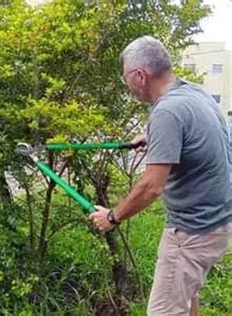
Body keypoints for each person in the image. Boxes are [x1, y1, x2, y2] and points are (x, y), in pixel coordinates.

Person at [88, 35, 232, 316]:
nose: (127, 84)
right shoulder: (193, 93)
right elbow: (198, 133)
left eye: (125, 78)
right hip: (218, 223)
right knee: (186, 295)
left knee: (164, 311)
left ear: (140, 76)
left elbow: (152, 186)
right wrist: (156, 138)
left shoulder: (167, 112)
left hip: (192, 232)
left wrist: (112, 216)